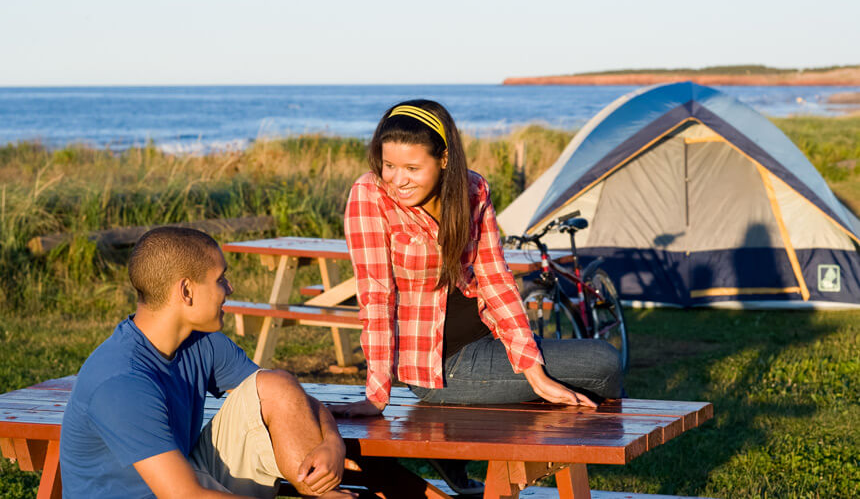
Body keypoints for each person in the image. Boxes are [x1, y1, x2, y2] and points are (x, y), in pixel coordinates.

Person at [332, 99, 623, 413]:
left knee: (598, 362)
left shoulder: (473, 190)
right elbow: (376, 295)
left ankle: (553, 443)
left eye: (412, 168)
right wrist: (377, 396)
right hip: (443, 367)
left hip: (491, 339)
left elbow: (495, 279)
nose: (397, 179)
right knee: (602, 361)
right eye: (389, 165)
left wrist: (534, 373)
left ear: (444, 159)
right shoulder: (370, 194)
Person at [60, 227, 355, 499]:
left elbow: (290, 400)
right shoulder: (122, 381)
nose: (229, 288)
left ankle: (324, 494)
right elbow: (184, 495)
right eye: (220, 279)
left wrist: (332, 442)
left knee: (276, 384)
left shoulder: (201, 341)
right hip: (173, 493)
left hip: (183, 478)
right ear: (186, 291)